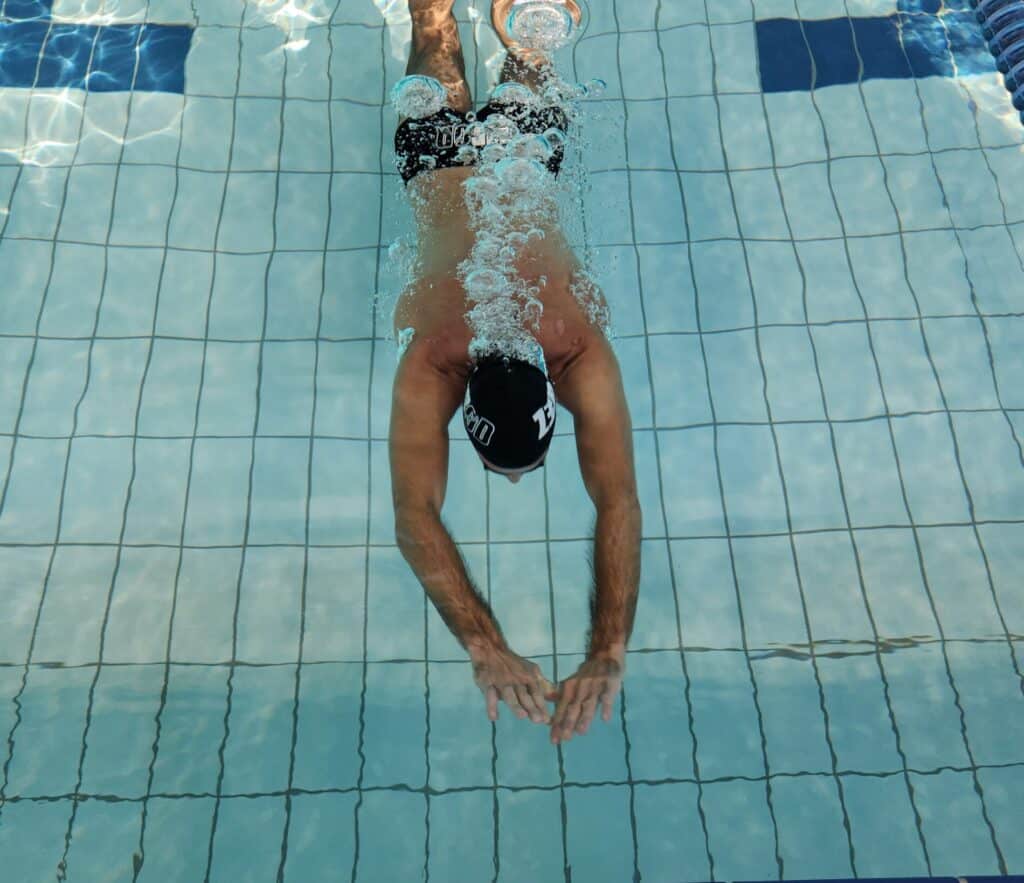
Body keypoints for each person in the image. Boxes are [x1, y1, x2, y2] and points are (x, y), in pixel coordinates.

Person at [387, 0, 641, 746]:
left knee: (532, 47)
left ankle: (522, 30)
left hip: (523, 149)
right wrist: (484, 644)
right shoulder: (434, 353)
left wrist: (609, 649)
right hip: (434, 154)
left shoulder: (575, 343)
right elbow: (412, 518)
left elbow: (621, 500)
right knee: (433, 23)